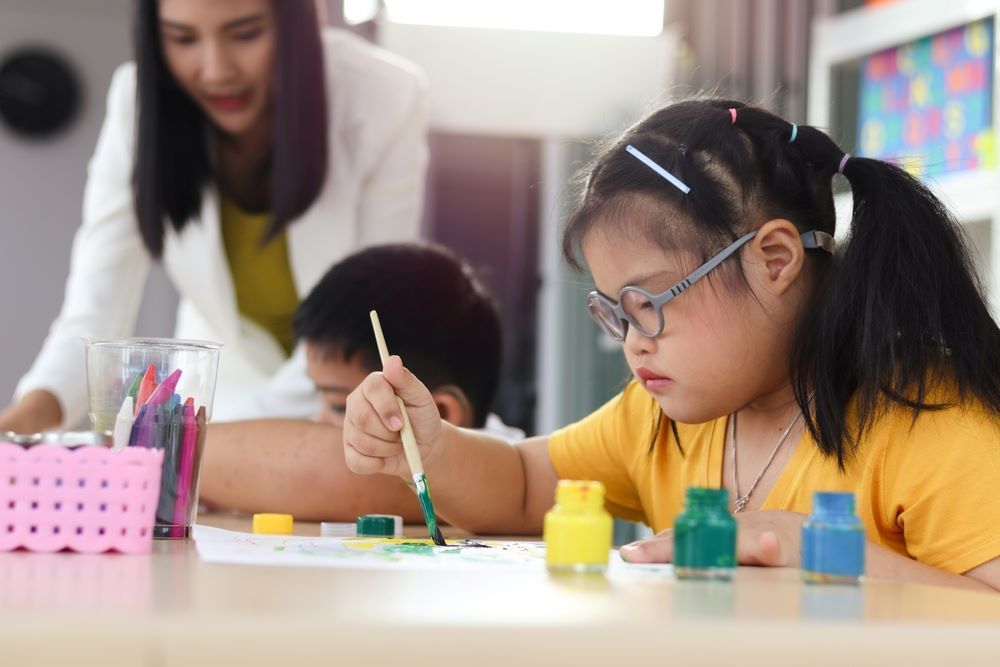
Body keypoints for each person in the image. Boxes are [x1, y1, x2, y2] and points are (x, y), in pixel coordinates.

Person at [343, 100, 1000, 591]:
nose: (633, 344)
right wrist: (429, 447)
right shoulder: (662, 415)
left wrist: (806, 546)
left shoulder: (928, 419)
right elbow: (521, 486)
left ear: (773, 260)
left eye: (650, 305)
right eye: (616, 314)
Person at [0, 0, 428, 433]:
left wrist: (206, 438)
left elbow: (364, 314)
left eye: (245, 34)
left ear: (295, 24)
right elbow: (96, 307)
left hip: (342, 400)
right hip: (222, 390)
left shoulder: (384, 95)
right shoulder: (136, 102)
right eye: (183, 38)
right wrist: (20, 425)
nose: (217, 70)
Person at [198, 243, 522, 520]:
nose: (316, 423)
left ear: (440, 413)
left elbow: (326, 470)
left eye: (339, 406)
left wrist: (175, 450)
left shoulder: (497, 475)